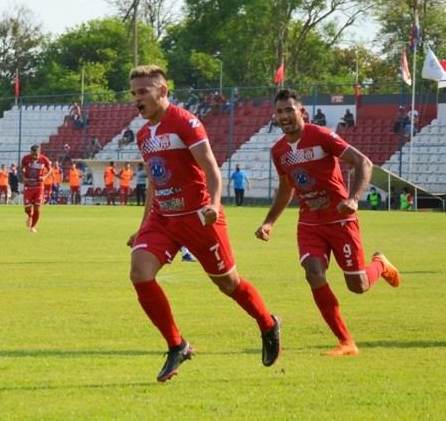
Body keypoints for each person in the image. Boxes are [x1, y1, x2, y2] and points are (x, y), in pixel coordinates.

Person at [127, 65, 281, 382]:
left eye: (142, 92)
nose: (136, 99)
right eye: (133, 94)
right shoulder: (144, 134)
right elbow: (155, 182)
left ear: (162, 91)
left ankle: (267, 323)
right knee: (140, 272)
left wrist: (214, 202)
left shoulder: (185, 123)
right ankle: (177, 344)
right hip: (164, 218)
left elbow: (211, 166)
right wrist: (143, 225)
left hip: (199, 215)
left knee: (229, 284)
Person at [255, 88, 401, 357]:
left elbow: (363, 162)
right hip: (310, 221)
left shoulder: (320, 136)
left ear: (302, 112)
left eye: (289, 110)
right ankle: (346, 342)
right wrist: (269, 223)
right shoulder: (278, 151)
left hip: (341, 218)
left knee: (358, 286)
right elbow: (286, 188)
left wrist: (354, 198)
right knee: (313, 273)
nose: (284, 116)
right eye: (279, 111)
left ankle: (380, 264)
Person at [20, 144, 52, 232]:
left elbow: (50, 169)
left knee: (37, 206)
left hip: (39, 186)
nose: (34, 156)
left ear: (39, 152)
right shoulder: (25, 158)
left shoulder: (44, 159)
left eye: (36, 154)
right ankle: (30, 215)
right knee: (27, 208)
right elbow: (20, 168)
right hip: (28, 186)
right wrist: (24, 177)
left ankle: (33, 227)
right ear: (30, 153)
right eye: (32, 154)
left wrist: (44, 177)